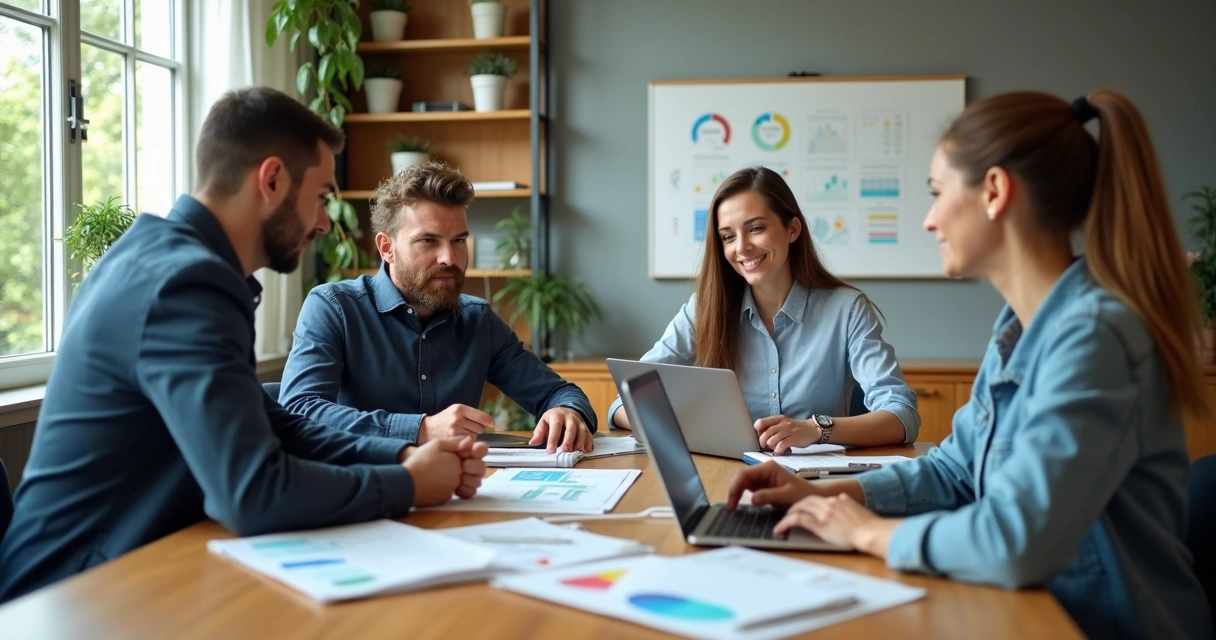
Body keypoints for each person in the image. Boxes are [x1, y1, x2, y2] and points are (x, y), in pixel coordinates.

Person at [728, 90, 1213, 638]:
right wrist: (826, 496)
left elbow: (1017, 540)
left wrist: (868, 533)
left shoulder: (1094, 338)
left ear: (995, 191)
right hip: (1025, 608)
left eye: (937, 193)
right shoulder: (1019, 327)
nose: (930, 220)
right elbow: (953, 469)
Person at [0, 88, 488, 604]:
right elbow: (252, 494)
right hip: (66, 601)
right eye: (321, 197)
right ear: (272, 179)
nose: (324, 223)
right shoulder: (185, 285)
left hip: (130, 576)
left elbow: (278, 425)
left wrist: (404, 454)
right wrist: (407, 484)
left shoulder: (166, 259)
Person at [279, 161, 597, 454]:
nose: (449, 258)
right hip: (363, 488)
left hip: (459, 493)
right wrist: (421, 429)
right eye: (429, 241)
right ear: (386, 248)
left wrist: (566, 412)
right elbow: (299, 410)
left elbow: (560, 393)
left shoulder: (478, 320)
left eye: (458, 241)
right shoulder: (334, 307)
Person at [607, 166, 919, 452]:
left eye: (755, 228)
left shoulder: (847, 310)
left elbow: (902, 415)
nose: (741, 247)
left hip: (814, 486)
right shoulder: (704, 309)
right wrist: (686, 427)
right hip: (725, 478)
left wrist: (816, 429)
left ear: (792, 229)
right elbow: (625, 402)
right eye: (728, 236)